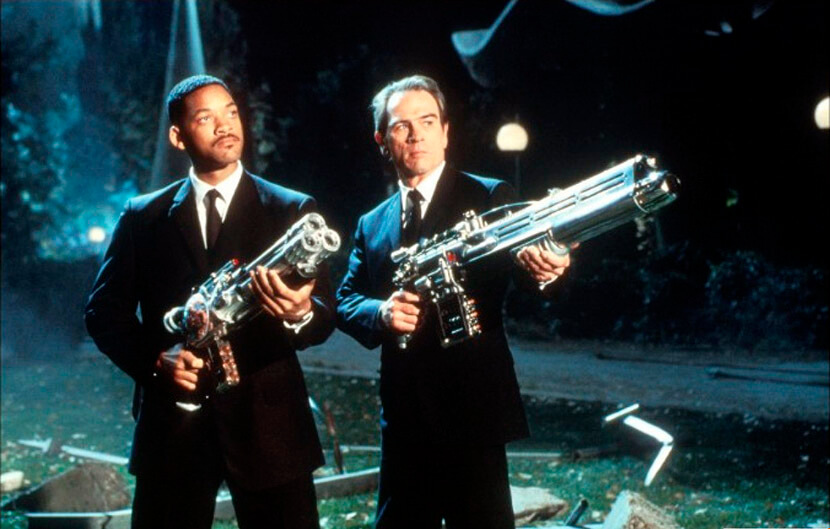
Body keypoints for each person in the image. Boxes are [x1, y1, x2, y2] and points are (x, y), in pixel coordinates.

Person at [85, 75, 334, 529]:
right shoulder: (143, 216)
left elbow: (324, 315)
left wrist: (300, 313)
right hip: (173, 431)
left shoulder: (291, 209)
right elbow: (103, 313)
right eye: (206, 118)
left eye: (231, 112)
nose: (225, 126)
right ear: (177, 136)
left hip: (270, 431)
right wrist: (154, 362)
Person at [336, 75, 572, 528]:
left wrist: (550, 268)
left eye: (427, 121)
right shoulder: (372, 223)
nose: (416, 134)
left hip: (473, 408)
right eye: (401, 126)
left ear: (445, 131)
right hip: (404, 416)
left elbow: (528, 273)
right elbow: (346, 299)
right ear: (382, 142)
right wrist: (380, 313)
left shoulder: (488, 196)